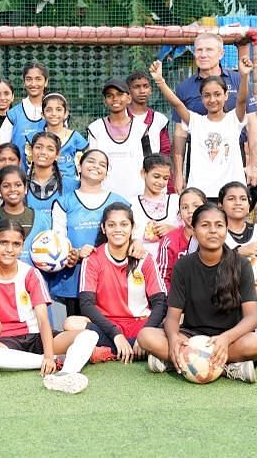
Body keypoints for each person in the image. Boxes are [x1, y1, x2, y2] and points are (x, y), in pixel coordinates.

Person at [137, 203, 257, 383]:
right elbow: (172, 317)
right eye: (205, 225)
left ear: (226, 230)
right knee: (146, 336)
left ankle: (178, 363)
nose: (213, 230)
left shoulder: (241, 264)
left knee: (256, 343)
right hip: (190, 336)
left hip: (228, 339)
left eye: (219, 225)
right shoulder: (184, 266)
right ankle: (227, 367)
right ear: (194, 231)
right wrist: (174, 338)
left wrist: (226, 338)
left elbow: (251, 318)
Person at [0, 220, 100, 394]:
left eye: (16, 244)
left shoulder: (30, 273)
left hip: (36, 336)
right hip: (4, 342)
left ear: (22, 246)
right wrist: (46, 359)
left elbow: (42, 318)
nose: (9, 249)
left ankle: (67, 373)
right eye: (3, 243)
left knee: (89, 335)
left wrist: (48, 352)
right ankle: (53, 361)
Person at [152, 54, 253, 200]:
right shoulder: (195, 121)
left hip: (231, 194)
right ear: (202, 98)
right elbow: (177, 104)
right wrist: (160, 81)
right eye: (207, 95)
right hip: (201, 194)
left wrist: (244, 76)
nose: (212, 99)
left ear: (226, 96)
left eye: (217, 94)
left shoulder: (234, 119)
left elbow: (242, 100)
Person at [77, 203, 167, 363]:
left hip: (140, 323)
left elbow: (160, 303)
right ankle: (139, 350)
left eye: (124, 224)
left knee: (173, 323)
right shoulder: (92, 258)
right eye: (111, 225)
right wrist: (116, 334)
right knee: (71, 323)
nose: (118, 229)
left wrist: (145, 333)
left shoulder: (145, 258)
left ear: (132, 227)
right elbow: (86, 304)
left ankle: (108, 351)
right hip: (106, 326)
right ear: (103, 229)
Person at [170, 33, 257, 192]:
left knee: (233, 207)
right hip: (200, 157)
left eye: (209, 50)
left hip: (233, 156)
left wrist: (253, 166)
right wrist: (178, 174)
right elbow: (180, 134)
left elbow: (252, 126)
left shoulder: (238, 80)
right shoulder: (184, 87)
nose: (203, 54)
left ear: (221, 53)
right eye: (199, 50)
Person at [51, 149, 130, 326]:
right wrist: (74, 253)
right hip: (74, 277)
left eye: (102, 165)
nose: (96, 166)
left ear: (107, 173)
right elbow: (58, 241)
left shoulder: (120, 202)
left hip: (110, 276)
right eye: (91, 161)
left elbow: (130, 237)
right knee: (78, 327)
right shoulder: (64, 202)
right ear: (79, 166)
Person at [218, 181, 257, 358]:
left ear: (249, 204)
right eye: (231, 198)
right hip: (229, 304)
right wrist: (239, 251)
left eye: (243, 199)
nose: (238, 203)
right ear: (220, 204)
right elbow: (211, 267)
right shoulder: (216, 231)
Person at [0, 165, 58, 265]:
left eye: (18, 185)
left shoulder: (44, 220)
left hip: (37, 279)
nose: (12, 189)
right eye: (6, 186)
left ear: (26, 188)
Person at [86, 78, 147, 199]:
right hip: (104, 195)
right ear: (105, 101)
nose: (115, 99)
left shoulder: (141, 128)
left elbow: (149, 162)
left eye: (120, 94)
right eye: (110, 95)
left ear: (129, 98)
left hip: (137, 195)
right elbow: (91, 163)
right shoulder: (95, 129)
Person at [128, 154, 180, 262]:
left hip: (171, 263)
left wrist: (173, 230)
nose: (161, 182)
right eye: (156, 176)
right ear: (143, 174)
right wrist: (134, 241)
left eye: (165, 178)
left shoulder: (176, 202)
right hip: (141, 263)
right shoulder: (131, 204)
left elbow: (190, 230)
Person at [156, 187, 207, 291]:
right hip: (177, 300)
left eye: (196, 206)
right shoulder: (170, 240)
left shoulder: (214, 237)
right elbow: (162, 278)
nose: (190, 211)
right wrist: (175, 302)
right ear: (179, 212)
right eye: (185, 207)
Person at [0, 62, 48, 163]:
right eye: (29, 79)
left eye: (38, 79)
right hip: (19, 175)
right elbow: (2, 147)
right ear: (24, 82)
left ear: (46, 82)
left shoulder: (55, 113)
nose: (33, 84)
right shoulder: (13, 114)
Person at [40, 93, 88, 185]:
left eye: (58, 110)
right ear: (42, 114)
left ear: (65, 113)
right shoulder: (38, 138)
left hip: (70, 186)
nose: (54, 114)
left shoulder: (75, 137)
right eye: (49, 110)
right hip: (45, 186)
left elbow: (83, 165)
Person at [27, 131, 77, 217]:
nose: (43, 152)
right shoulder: (20, 184)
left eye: (50, 149)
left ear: (57, 155)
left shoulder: (72, 185)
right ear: (31, 151)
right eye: (38, 147)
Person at [126, 70, 171, 160]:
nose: (142, 91)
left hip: (153, 170)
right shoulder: (121, 117)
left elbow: (165, 151)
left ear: (151, 90)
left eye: (145, 86)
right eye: (136, 87)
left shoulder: (159, 119)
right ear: (128, 91)